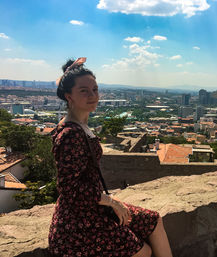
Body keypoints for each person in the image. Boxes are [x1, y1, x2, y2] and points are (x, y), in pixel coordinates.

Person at [48, 57, 173, 257]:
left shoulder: (79, 124)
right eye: (84, 91)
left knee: (154, 220)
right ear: (68, 96)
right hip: (80, 221)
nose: (92, 96)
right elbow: (69, 188)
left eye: (95, 89)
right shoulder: (70, 134)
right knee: (143, 252)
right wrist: (112, 202)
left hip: (94, 208)